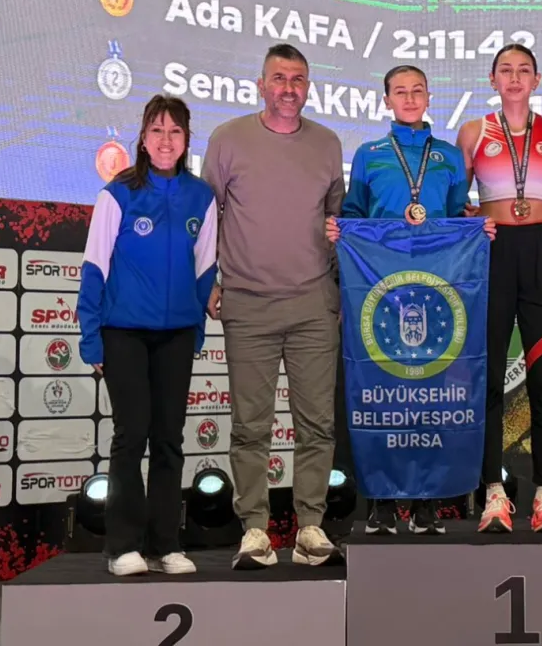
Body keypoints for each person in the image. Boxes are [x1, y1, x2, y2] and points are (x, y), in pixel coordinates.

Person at [326, 64, 497, 536]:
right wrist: (341, 233)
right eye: (399, 91)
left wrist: (477, 231)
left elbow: (457, 218)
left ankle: (426, 503)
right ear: (386, 100)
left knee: (430, 390)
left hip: (437, 285)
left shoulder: (448, 156)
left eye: (417, 90)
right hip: (380, 287)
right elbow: (355, 215)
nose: (408, 97)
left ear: (428, 97)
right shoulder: (370, 155)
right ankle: (381, 504)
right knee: (383, 390)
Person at [202, 43, 346, 570]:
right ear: (261, 85)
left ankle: (310, 528)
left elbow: (337, 223)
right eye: (279, 78)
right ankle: (255, 531)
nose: (289, 88)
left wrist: (339, 290)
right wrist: (207, 281)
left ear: (309, 88)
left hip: (313, 303)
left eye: (298, 79)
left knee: (317, 425)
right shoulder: (227, 139)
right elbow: (206, 215)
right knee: (250, 427)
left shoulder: (328, 144)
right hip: (247, 303)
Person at [77, 95, 218, 577]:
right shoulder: (118, 193)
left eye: (175, 131)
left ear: (186, 139)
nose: (165, 140)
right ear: (142, 138)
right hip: (123, 333)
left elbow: (205, 271)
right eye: (157, 130)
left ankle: (164, 545)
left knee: (169, 440)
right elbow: (94, 267)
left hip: (176, 334)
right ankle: (122, 547)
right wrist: (91, 337)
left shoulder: (201, 197)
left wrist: (196, 329)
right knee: (131, 434)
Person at [456, 44, 542, 534]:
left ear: (537, 80)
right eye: (506, 70)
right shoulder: (473, 131)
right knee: (488, 378)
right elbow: (453, 201)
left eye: (524, 70)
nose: (515, 77)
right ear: (493, 79)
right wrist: (468, 216)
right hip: (494, 251)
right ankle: (493, 493)